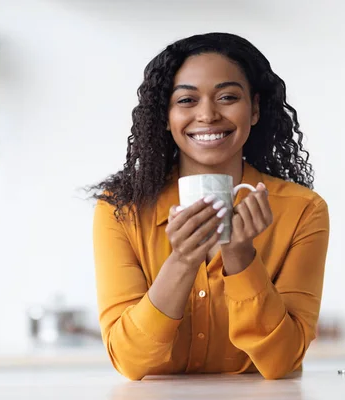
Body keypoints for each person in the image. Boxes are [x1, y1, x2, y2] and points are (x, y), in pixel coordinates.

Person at [89, 32, 329, 381]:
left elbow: (282, 361)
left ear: (256, 108)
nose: (207, 115)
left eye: (228, 97)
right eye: (186, 100)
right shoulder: (120, 211)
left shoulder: (303, 211)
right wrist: (183, 260)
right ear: (165, 115)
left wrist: (241, 256)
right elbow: (129, 360)